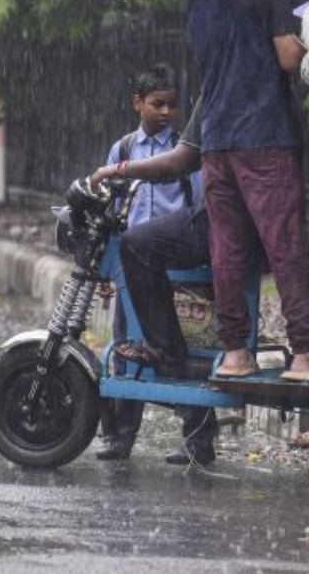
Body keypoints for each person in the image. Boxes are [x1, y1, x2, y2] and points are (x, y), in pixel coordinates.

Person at [184, 0, 309, 382]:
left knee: (226, 248)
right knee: (286, 244)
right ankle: (306, 354)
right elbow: (289, 58)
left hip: (216, 141)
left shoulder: (198, 2)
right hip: (264, 135)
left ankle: (235, 352)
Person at [90, 98, 219, 466]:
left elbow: (196, 200)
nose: (166, 112)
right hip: (133, 265)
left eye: (172, 105)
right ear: (137, 104)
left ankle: (198, 441)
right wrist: (108, 267)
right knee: (125, 348)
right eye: (158, 104)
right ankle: (119, 438)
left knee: (194, 347)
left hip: (176, 265)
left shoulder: (184, 147)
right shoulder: (124, 149)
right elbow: (114, 209)